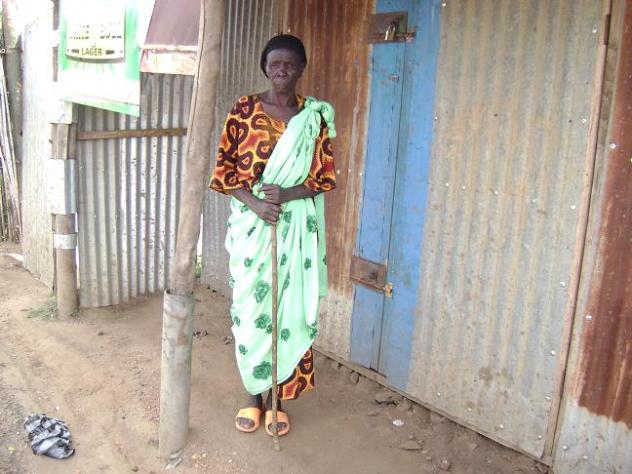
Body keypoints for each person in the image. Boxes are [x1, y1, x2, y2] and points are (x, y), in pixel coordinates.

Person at [209, 34, 337, 436]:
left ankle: (279, 398)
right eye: (274, 63)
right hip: (253, 226)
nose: (281, 70)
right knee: (252, 310)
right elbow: (224, 172)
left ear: (301, 69)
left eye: (289, 64)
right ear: (265, 67)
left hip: (294, 225)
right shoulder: (243, 110)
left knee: (288, 310)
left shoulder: (313, 118)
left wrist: (289, 194)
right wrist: (256, 204)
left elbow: (323, 177)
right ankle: (254, 396)